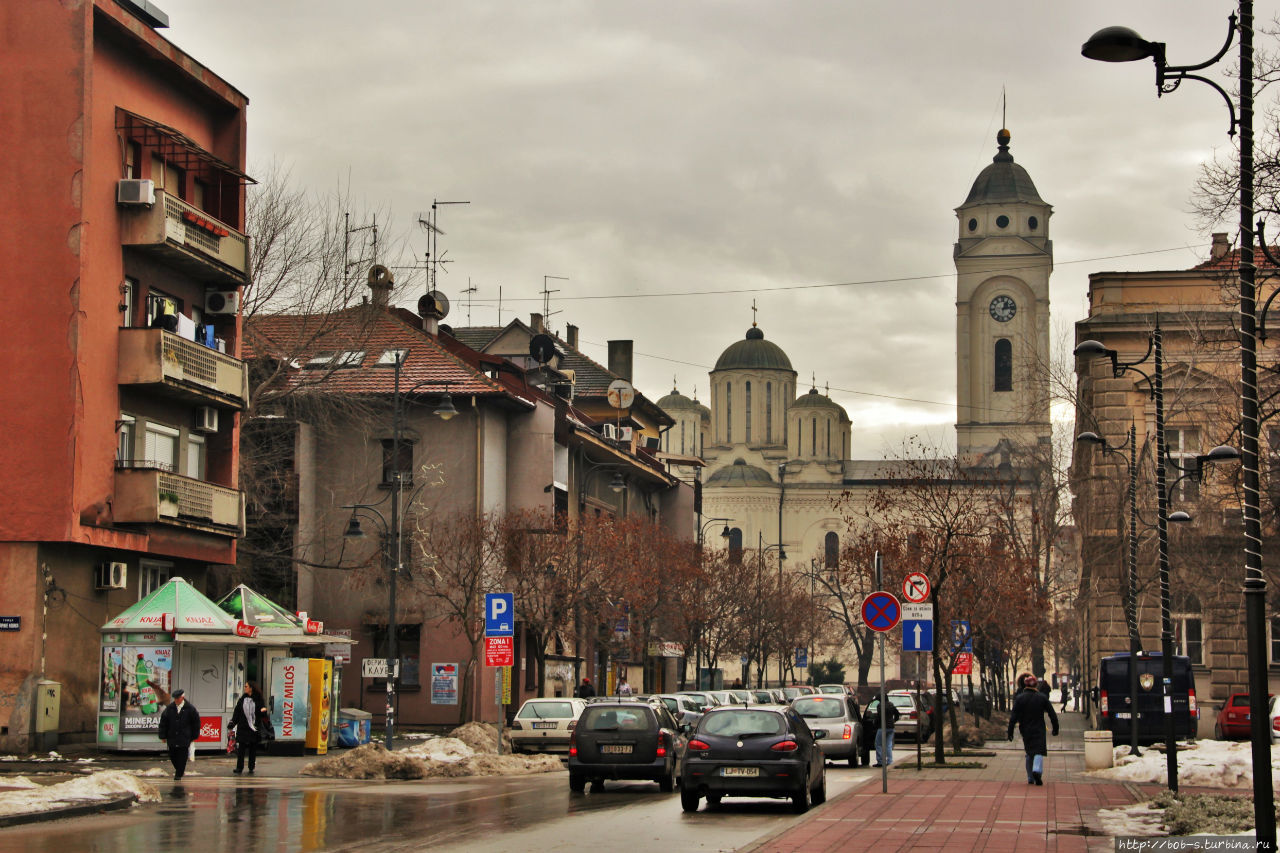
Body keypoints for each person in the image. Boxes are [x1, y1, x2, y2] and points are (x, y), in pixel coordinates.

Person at [1008, 674, 1059, 785]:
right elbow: (1052, 714)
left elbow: (1014, 716)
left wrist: (1010, 731)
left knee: (1029, 752)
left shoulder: (1020, 698)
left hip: (1025, 728)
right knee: (1039, 750)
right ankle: (1037, 770)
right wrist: (1055, 728)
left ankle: (1030, 777)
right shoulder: (1042, 697)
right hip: (1039, 727)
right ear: (1036, 685)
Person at [158, 688, 201, 780]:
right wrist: (163, 736)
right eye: (175, 698)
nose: (176, 700)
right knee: (173, 755)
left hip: (184, 737)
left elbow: (196, 723)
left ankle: (179, 774)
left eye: (178, 698)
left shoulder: (190, 709)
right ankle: (179, 769)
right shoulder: (170, 708)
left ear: (182, 698)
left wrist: (194, 736)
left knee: (182, 756)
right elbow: (163, 723)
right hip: (172, 736)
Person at [229, 681, 267, 775]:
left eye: (246, 686)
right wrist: (233, 722)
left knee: (252, 747)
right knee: (241, 747)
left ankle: (251, 766)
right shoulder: (243, 699)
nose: (245, 688)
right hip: (243, 726)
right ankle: (239, 767)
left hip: (253, 726)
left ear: (251, 688)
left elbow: (262, 712)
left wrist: (263, 711)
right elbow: (237, 711)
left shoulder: (258, 699)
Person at [864, 695, 900, 767]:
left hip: (882, 727)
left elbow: (879, 716)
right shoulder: (891, 705)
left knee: (878, 744)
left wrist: (875, 723)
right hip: (891, 728)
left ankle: (880, 761)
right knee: (888, 745)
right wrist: (894, 720)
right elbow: (897, 713)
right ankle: (889, 761)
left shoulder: (880, 705)